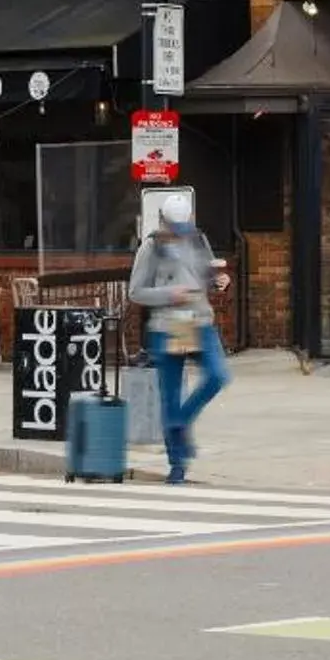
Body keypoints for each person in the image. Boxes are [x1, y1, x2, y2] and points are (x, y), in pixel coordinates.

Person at [128, 189, 230, 485]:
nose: (178, 233)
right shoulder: (150, 248)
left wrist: (218, 281)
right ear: (162, 221)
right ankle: (177, 465)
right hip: (169, 324)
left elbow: (205, 275)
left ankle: (180, 423)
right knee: (170, 394)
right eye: (174, 228)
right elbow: (136, 292)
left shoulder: (198, 240)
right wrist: (169, 294)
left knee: (218, 375)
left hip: (198, 321)